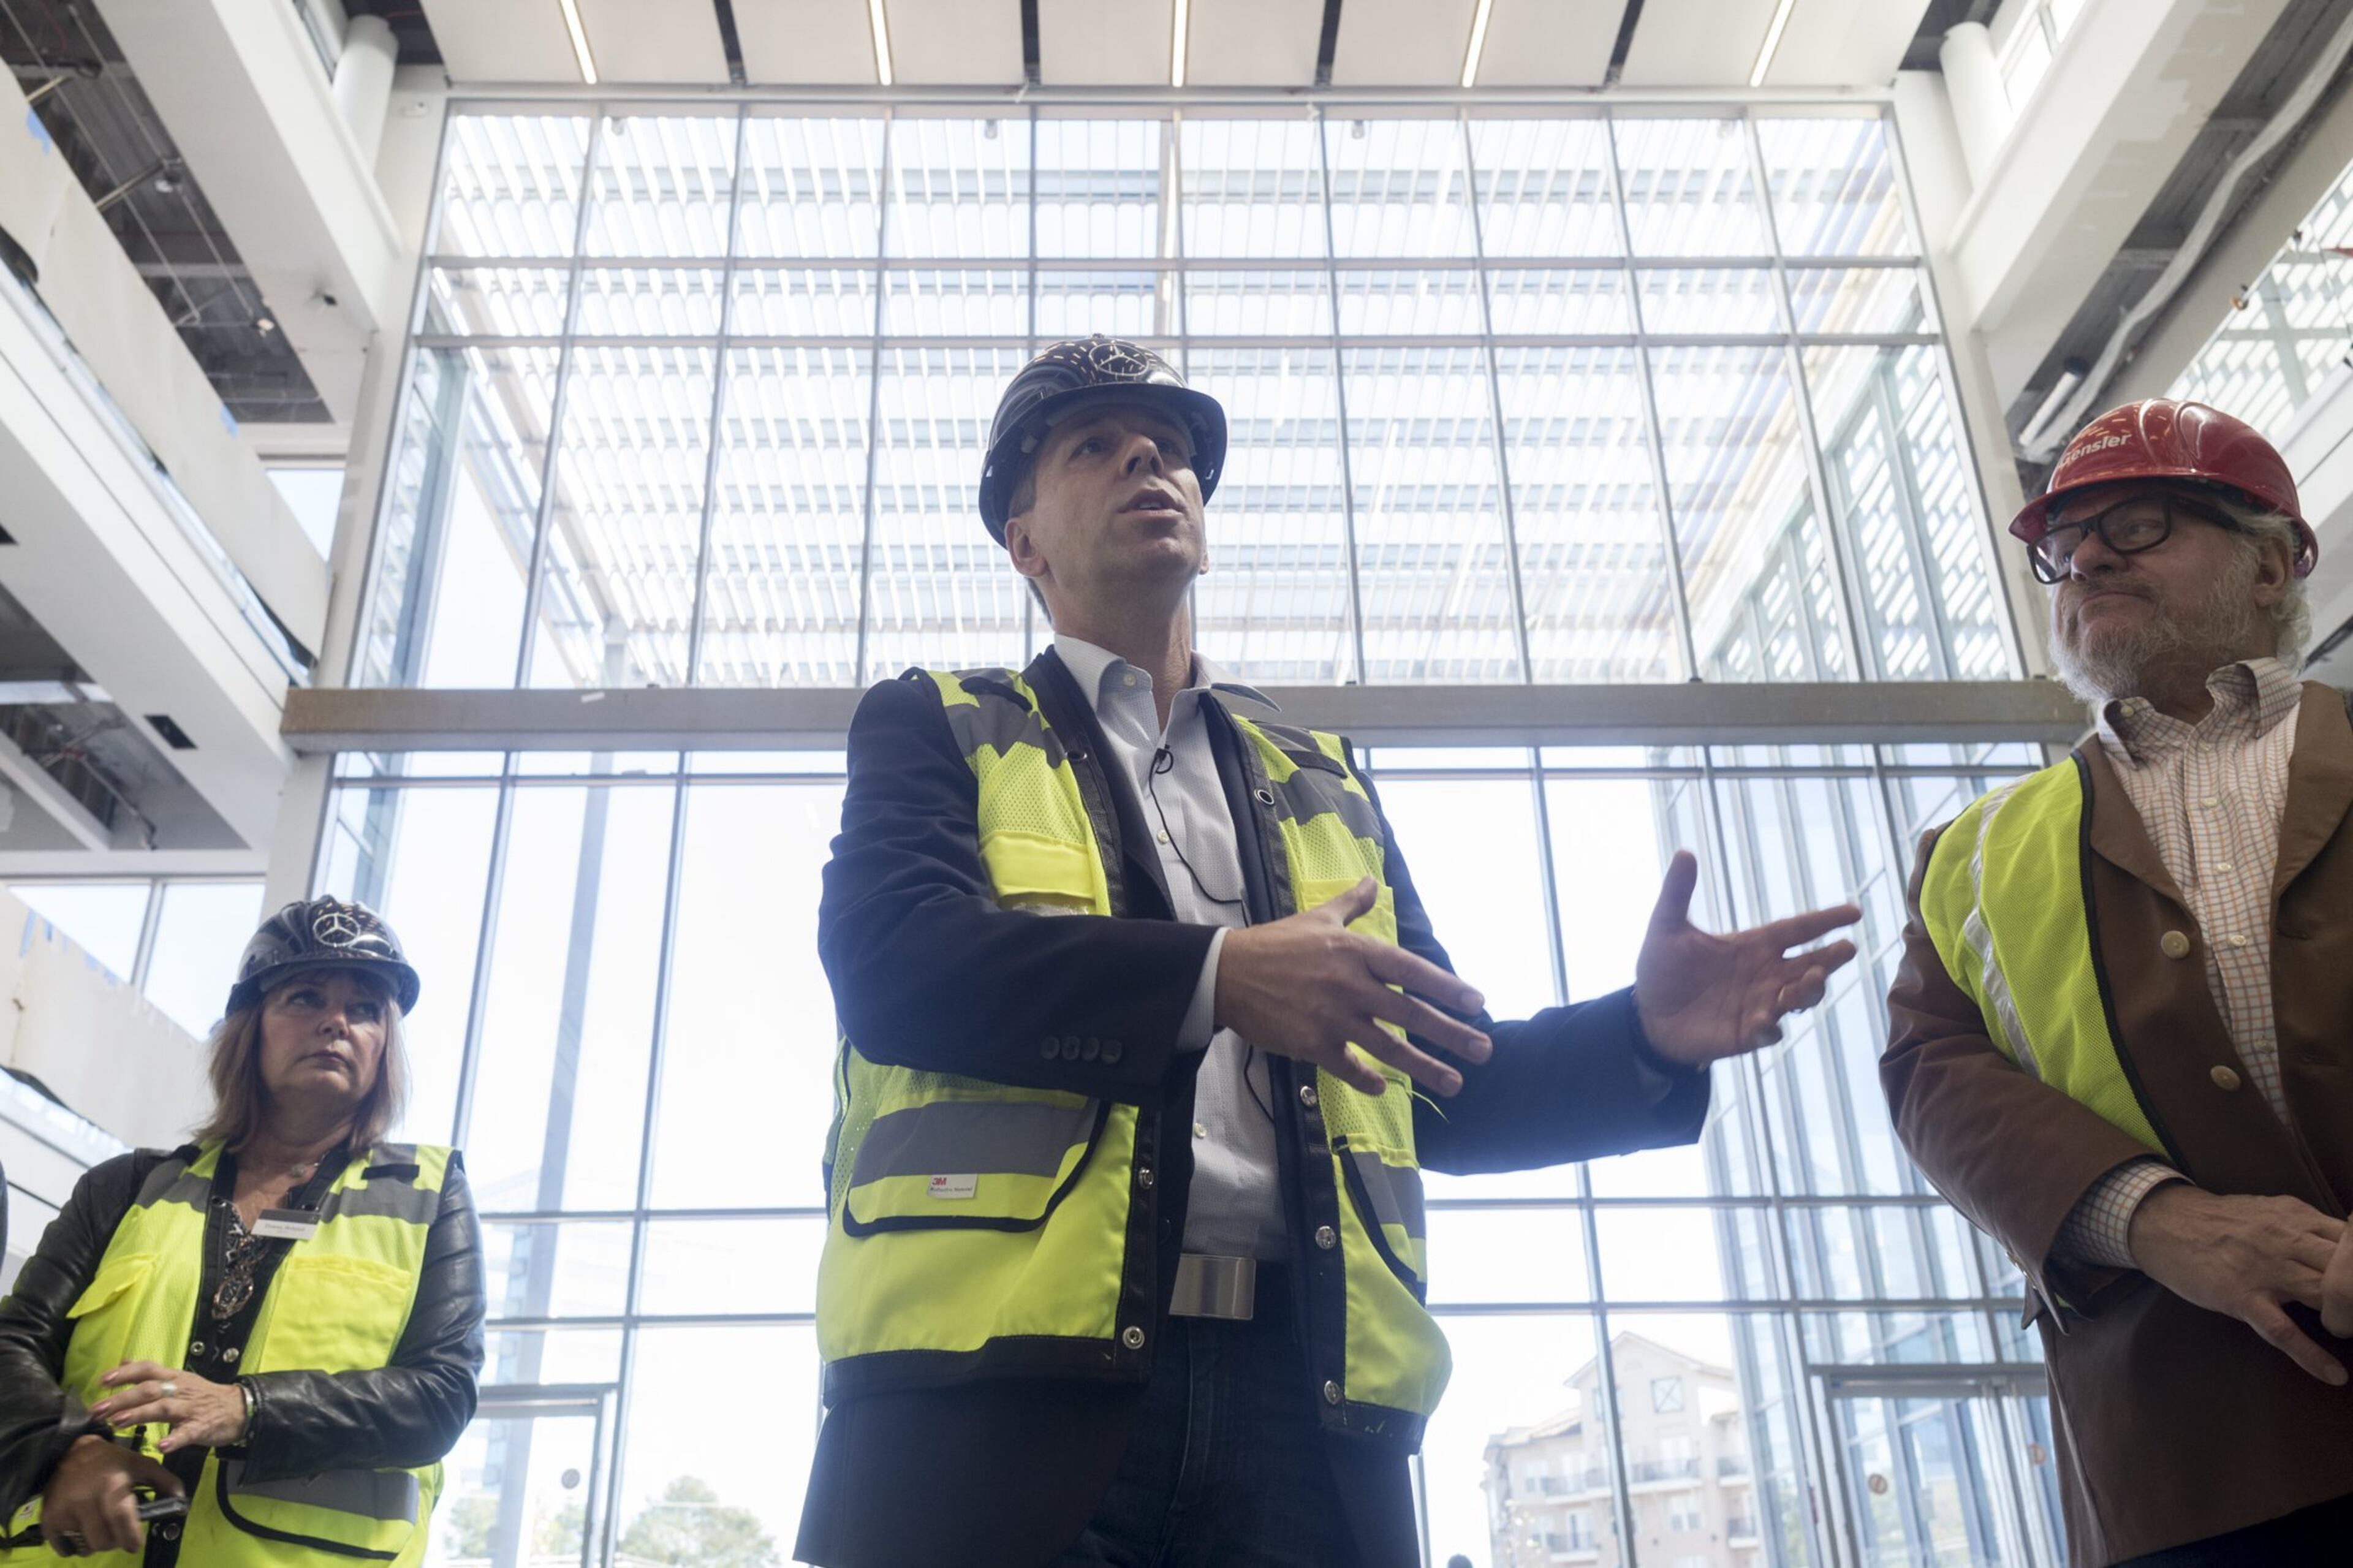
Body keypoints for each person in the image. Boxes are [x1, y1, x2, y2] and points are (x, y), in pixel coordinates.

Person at [800, 335, 1863, 1568]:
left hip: (1302, 1410)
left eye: (1175, 449)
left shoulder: (1321, 776)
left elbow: (1438, 1085)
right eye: (1096, 444)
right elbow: (895, 966)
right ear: (1023, 540)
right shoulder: (940, 721)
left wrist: (1643, 1034)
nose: (1153, 458)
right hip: (995, 1409)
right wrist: (1218, 977)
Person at [1882, 398, 2353, 1566]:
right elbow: (1935, 1078)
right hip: (2187, 1451)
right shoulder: (1976, 851)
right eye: (2065, 545)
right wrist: (2158, 1220)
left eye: (2137, 524)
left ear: (2272, 561)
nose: (2086, 557)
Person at [0, 896, 483, 1564]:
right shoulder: (124, 1189)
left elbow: (441, 1396)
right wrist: (68, 1450)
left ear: (383, 1045)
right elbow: (12, 1344)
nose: (335, 1022)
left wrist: (247, 1407)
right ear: (250, 1028)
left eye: (365, 1008)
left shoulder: (431, 1198)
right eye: (305, 997)